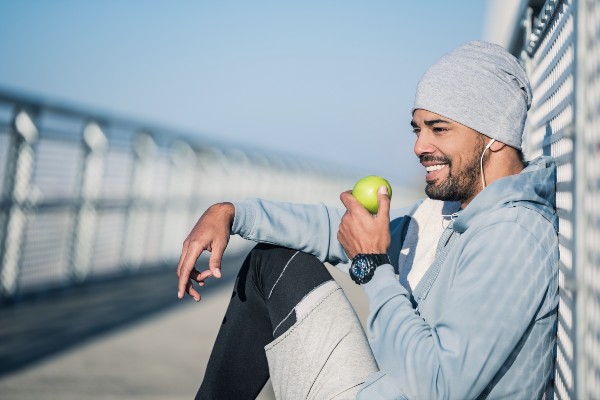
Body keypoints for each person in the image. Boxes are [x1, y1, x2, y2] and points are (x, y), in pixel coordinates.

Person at [177, 41, 559, 399]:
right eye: (418, 128)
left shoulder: (512, 235)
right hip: (381, 387)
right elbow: (334, 230)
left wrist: (373, 266)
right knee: (271, 257)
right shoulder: (452, 214)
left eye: (438, 128)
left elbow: (440, 386)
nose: (419, 146)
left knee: (268, 264)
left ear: (494, 134)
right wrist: (232, 213)